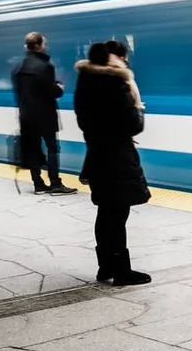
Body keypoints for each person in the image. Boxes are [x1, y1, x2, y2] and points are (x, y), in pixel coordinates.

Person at [74, 40, 151, 286]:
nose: (126, 62)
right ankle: (121, 271)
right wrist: (137, 104)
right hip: (116, 158)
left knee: (106, 213)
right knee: (117, 214)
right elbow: (133, 125)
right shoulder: (115, 83)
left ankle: (106, 266)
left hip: (97, 156)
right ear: (115, 58)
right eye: (124, 57)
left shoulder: (85, 81)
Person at [11, 31, 76, 195]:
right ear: (39, 46)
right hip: (44, 114)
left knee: (32, 148)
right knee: (52, 148)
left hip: (26, 114)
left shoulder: (18, 67)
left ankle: (38, 183)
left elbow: (19, 92)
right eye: (44, 44)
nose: (46, 46)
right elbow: (51, 91)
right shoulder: (45, 66)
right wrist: (59, 88)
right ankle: (55, 183)